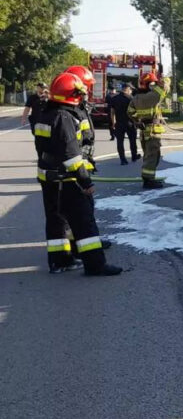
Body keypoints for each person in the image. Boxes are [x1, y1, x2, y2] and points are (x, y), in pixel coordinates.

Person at [34, 72, 121, 276]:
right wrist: (85, 182)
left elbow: (43, 149)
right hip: (67, 179)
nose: (82, 97)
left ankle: (60, 261)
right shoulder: (65, 118)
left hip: (49, 177)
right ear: (71, 94)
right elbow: (72, 157)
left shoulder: (45, 113)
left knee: (57, 221)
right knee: (84, 222)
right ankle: (95, 265)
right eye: (79, 93)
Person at [129, 73, 169, 189]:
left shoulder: (136, 98)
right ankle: (149, 181)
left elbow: (130, 112)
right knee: (152, 157)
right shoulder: (154, 96)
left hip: (144, 132)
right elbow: (166, 87)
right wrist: (161, 80)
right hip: (153, 131)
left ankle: (148, 179)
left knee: (148, 156)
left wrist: (137, 121)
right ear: (151, 84)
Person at [109, 83, 139, 165]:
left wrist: (113, 122)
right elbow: (136, 111)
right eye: (131, 89)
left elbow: (112, 112)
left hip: (119, 123)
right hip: (130, 123)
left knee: (120, 142)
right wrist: (137, 121)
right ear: (127, 89)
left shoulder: (114, 98)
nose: (131, 91)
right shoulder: (131, 98)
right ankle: (134, 156)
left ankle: (123, 159)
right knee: (132, 141)